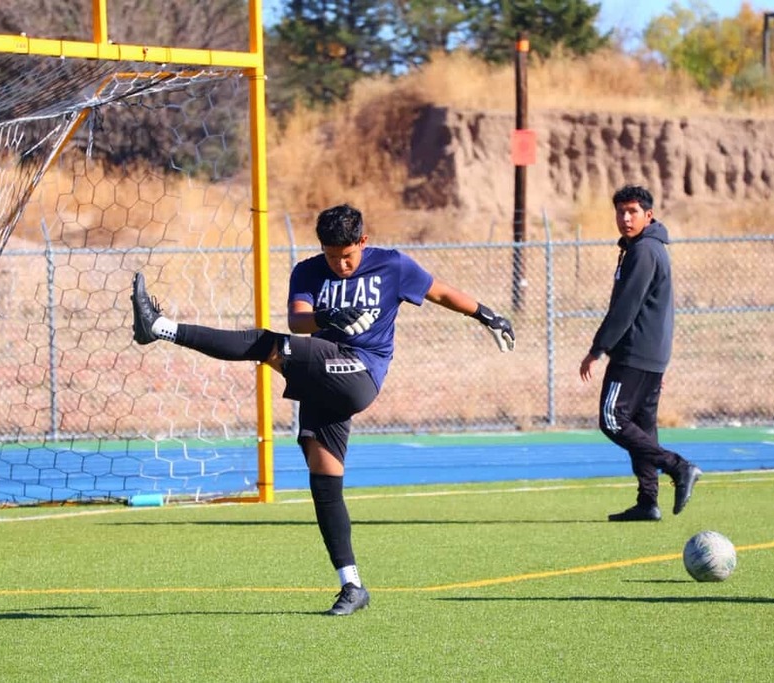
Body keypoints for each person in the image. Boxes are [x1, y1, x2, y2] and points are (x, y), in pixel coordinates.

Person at [130, 203, 515, 615]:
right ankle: (352, 586)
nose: (340, 264)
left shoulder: (393, 266)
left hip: (360, 373)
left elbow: (440, 292)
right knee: (324, 479)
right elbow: (298, 320)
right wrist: (327, 314)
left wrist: (487, 315)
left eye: (347, 256)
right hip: (321, 375)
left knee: (264, 344)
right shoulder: (310, 271)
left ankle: (159, 328)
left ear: (363, 242)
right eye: (332, 256)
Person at [579, 184, 701, 522]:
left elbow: (626, 306)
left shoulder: (645, 250)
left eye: (632, 211)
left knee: (612, 418)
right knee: (643, 427)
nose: (625, 217)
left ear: (649, 215)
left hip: (635, 352)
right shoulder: (637, 248)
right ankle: (648, 501)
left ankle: (679, 467)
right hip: (650, 352)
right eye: (620, 211)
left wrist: (598, 348)